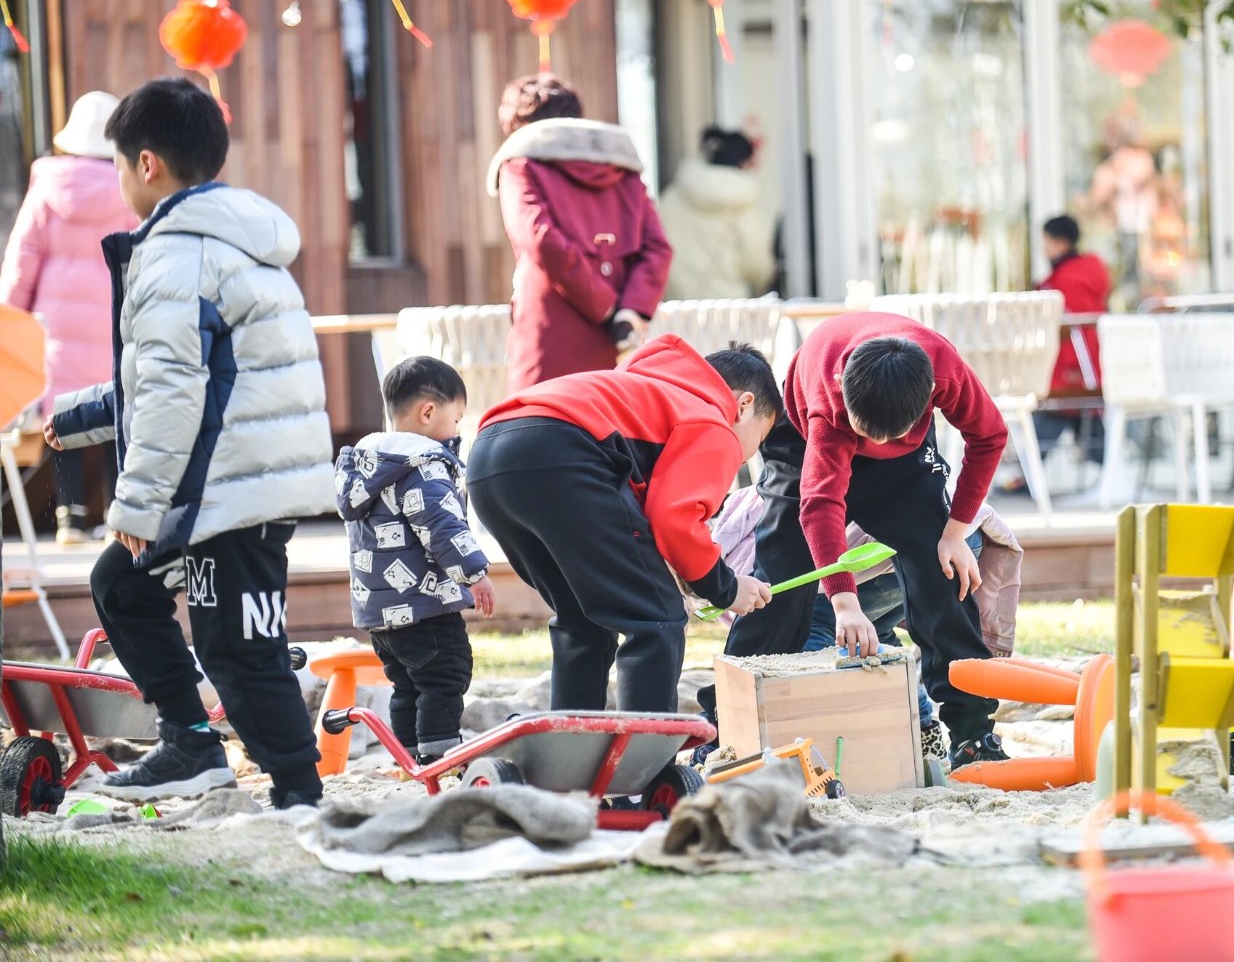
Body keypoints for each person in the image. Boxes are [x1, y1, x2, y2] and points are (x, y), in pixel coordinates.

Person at [46, 78, 331, 806]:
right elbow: (174, 381)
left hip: (230, 489)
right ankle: (190, 743)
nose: (116, 182)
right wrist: (74, 419)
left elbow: (177, 393)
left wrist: (137, 506)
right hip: (223, 478)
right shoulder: (233, 242)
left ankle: (300, 796)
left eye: (114, 166)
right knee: (120, 584)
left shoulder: (179, 255)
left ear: (147, 165)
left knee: (239, 649)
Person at [699, 313, 1011, 769]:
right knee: (783, 576)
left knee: (939, 569)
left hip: (901, 453)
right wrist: (845, 603)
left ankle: (973, 732)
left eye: (887, 436)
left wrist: (955, 531)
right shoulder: (829, 409)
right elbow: (821, 506)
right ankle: (728, 728)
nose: (875, 443)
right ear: (844, 384)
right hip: (807, 435)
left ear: (929, 395)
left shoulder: (944, 370)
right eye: (870, 435)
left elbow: (990, 435)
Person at [468, 338, 778, 713]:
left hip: (488, 458)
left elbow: (643, 518)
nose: (747, 454)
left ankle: (575, 752)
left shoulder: (651, 390)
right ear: (743, 406)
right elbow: (675, 517)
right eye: (758, 438)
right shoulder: (712, 417)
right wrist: (725, 587)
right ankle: (644, 761)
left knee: (583, 620)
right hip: (561, 452)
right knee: (656, 619)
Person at [336, 357, 497, 764]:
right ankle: (439, 753)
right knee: (447, 674)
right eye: (457, 419)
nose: (457, 430)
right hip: (424, 605)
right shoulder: (422, 466)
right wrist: (475, 573)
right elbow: (442, 528)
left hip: (379, 612)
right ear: (429, 412)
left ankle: (406, 754)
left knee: (408, 685)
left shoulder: (367, 465)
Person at [0, 91, 137, 543]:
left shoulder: (48, 187)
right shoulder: (129, 185)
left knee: (65, 414)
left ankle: (70, 519)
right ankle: (119, 513)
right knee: (119, 410)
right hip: (113, 319)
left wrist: (11, 312)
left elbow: (22, 259)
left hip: (55, 324)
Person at [486, 74, 672, 390]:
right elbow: (658, 249)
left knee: (539, 428)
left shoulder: (519, 165)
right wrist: (628, 311)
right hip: (618, 340)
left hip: (548, 335)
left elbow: (540, 239)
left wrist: (606, 305)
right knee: (610, 430)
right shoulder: (622, 170)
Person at [658, 126, 776, 301]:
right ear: (744, 162)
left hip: (678, 309)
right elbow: (757, 266)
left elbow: (656, 252)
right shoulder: (743, 205)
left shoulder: (671, 198)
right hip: (729, 308)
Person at [1035, 214, 1110, 465]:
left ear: (1058, 242)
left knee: (1049, 421)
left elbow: (1066, 330)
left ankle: (1025, 477)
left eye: (1045, 240)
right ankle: (1113, 471)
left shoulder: (1063, 283)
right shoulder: (1090, 273)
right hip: (1091, 367)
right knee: (1089, 426)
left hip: (1070, 369)